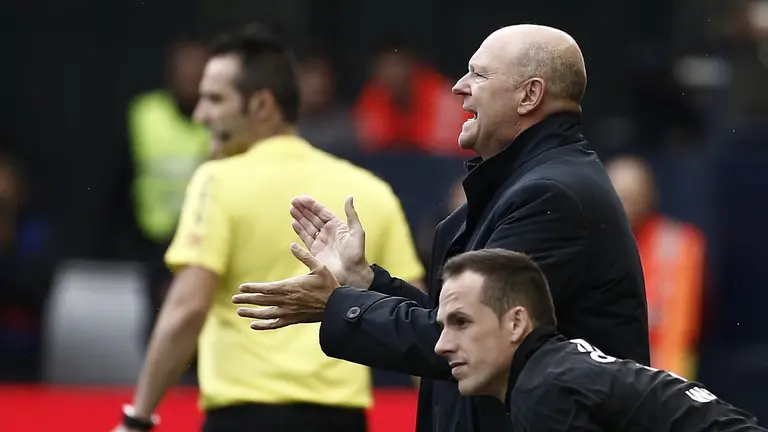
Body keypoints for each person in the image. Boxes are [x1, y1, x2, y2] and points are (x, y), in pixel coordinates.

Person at [233, 24, 650, 431]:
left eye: (479, 74)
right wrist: (363, 280)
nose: (459, 87)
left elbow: (473, 337)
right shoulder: (526, 185)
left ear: (530, 95)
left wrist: (339, 305)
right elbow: (452, 321)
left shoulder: (552, 196)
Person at [112, 23, 424, 432]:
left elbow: (187, 307)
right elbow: (418, 319)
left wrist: (138, 417)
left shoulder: (216, 180)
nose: (201, 114)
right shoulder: (372, 191)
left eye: (215, 99)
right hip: (342, 421)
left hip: (244, 418)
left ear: (261, 106)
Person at [434, 248, 765, 431]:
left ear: (517, 322)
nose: (442, 345)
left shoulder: (542, 391)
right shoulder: (552, 370)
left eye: (461, 322)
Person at [607, 155, 707, 379]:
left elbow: (679, 329)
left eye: (633, 194)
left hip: (662, 377)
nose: (626, 202)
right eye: (619, 194)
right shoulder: (593, 244)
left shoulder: (680, 243)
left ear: (651, 194)